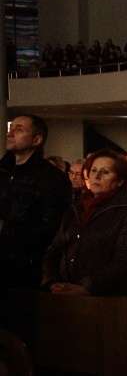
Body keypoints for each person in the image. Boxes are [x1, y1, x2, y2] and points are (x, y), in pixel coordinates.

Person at [41, 149, 127, 296]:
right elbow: (54, 248)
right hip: (63, 291)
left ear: (120, 180)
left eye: (105, 172)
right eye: (93, 170)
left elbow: (124, 261)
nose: (96, 176)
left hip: (102, 298)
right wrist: (51, 281)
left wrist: (86, 286)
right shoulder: (77, 207)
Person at [0, 115, 71, 290]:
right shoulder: (2, 170)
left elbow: (51, 230)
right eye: (11, 128)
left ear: (36, 140)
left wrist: (4, 229)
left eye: (19, 129)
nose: (10, 133)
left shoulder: (52, 179)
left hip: (23, 268)